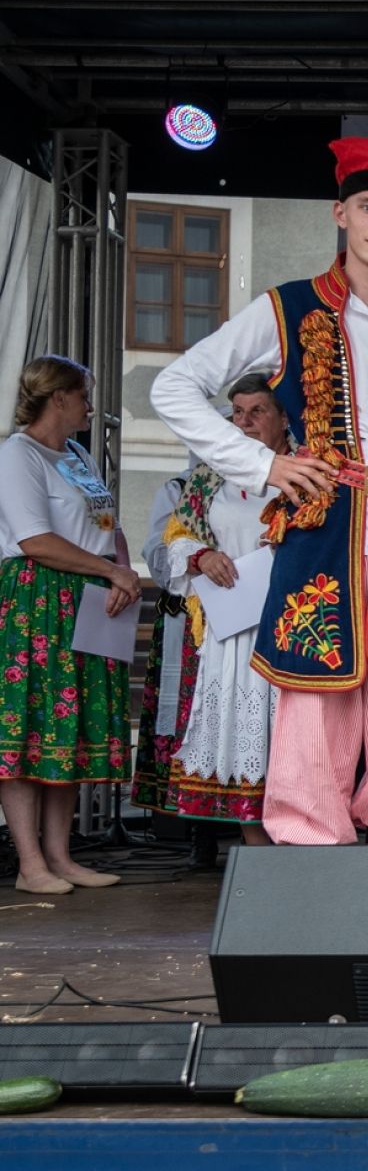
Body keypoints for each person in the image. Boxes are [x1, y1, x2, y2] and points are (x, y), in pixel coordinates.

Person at [151, 137, 368, 846]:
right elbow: (176, 386)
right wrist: (265, 467)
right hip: (321, 522)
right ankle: (310, 838)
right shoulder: (286, 309)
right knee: (314, 687)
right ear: (339, 213)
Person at [0, 356, 138, 894]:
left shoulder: (77, 454)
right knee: (33, 723)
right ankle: (30, 864)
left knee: (71, 727)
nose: (89, 403)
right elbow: (35, 539)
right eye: (83, 394)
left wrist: (120, 572)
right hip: (39, 598)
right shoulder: (19, 454)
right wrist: (110, 570)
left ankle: (61, 855)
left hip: (89, 595)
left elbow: (108, 525)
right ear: (58, 398)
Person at [158, 375, 293, 851]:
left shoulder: (305, 470)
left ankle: (304, 850)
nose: (245, 422)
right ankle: (258, 854)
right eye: (237, 412)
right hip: (233, 627)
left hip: (292, 628)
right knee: (242, 741)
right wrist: (202, 557)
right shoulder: (210, 474)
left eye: (257, 411)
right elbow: (177, 535)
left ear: (282, 416)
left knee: (292, 741)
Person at [128, 472, 198, 849]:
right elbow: (158, 554)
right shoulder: (181, 488)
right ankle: (188, 823)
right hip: (191, 616)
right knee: (186, 717)